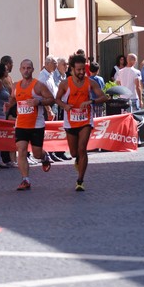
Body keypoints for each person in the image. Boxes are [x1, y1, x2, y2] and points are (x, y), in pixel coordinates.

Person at [56, 54, 107, 191]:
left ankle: (80, 180)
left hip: (85, 120)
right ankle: (78, 159)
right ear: (72, 69)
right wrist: (64, 106)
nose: (81, 72)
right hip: (70, 121)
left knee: (82, 148)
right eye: (78, 70)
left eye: (83, 70)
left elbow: (103, 97)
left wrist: (91, 101)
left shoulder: (90, 82)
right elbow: (57, 99)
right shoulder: (65, 83)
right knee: (73, 152)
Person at [9, 59, 55, 191]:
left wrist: (38, 102)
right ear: (20, 69)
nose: (26, 70)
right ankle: (25, 179)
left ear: (32, 69)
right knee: (21, 150)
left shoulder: (38, 85)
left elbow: (51, 99)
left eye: (28, 68)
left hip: (36, 125)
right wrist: (8, 105)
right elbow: (13, 98)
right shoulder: (15, 85)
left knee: (36, 154)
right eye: (23, 68)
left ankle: (44, 156)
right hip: (21, 124)